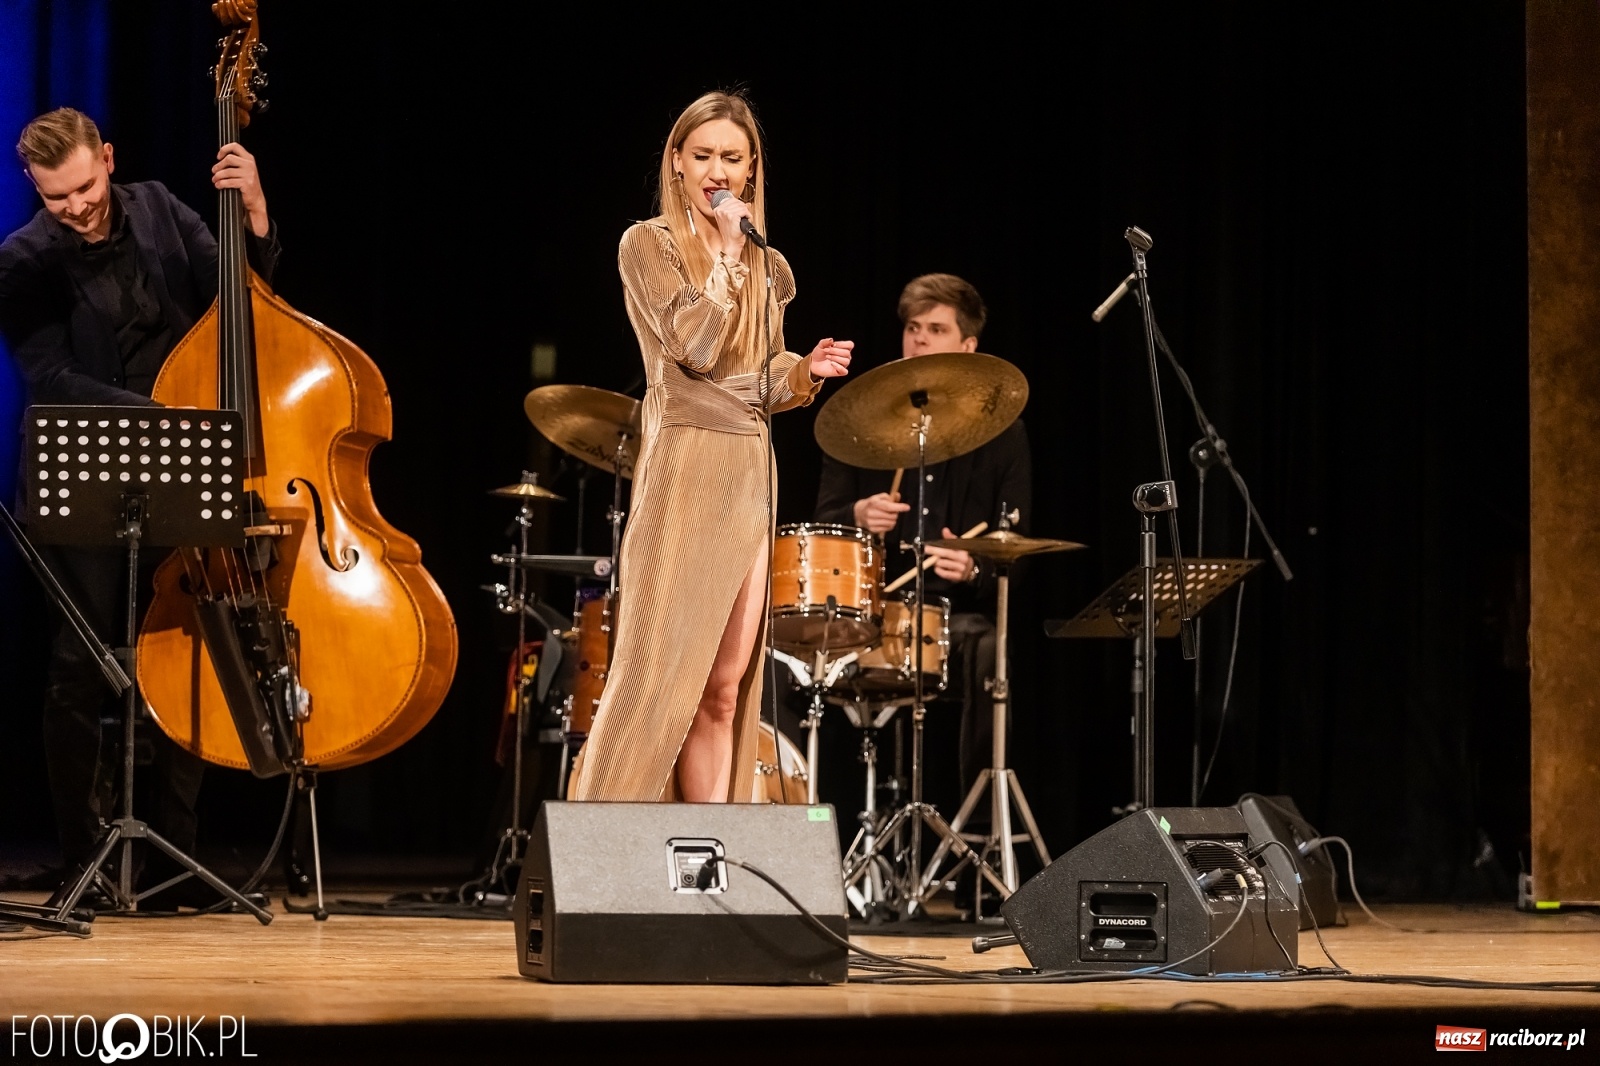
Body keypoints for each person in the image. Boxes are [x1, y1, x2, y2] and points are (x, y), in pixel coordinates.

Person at [0, 107, 279, 898]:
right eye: (58, 199)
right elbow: (50, 377)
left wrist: (254, 213)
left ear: (108, 159)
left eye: (86, 187)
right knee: (77, 667)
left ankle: (173, 857)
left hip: (183, 463)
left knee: (185, 650)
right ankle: (82, 855)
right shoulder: (21, 263)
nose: (78, 207)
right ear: (36, 189)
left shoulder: (159, 207)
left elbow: (241, 299)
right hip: (89, 473)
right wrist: (162, 419)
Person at [570, 92, 853, 803]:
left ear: (753, 170)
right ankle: (605, 842)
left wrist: (803, 372)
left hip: (748, 467)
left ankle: (709, 855)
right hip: (685, 463)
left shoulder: (769, 265)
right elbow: (694, 349)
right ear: (676, 160)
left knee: (726, 690)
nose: (716, 171)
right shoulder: (648, 244)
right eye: (703, 156)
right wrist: (725, 255)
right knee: (662, 678)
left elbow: (761, 380)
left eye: (732, 157)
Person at [814, 273, 1031, 801]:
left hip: (952, 616)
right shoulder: (857, 419)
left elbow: (1017, 545)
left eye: (936, 328)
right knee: (784, 657)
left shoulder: (1003, 430)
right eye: (913, 328)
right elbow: (824, 521)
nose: (920, 339)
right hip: (867, 610)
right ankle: (814, 822)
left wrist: (975, 567)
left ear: (968, 345)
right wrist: (858, 515)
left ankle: (975, 821)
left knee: (990, 650)